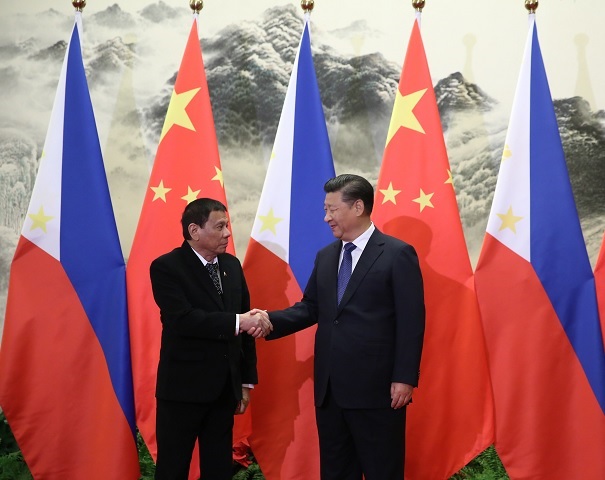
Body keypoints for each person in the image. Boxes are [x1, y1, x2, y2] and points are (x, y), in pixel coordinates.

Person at [262, 174, 425, 480]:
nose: (326, 218)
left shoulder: (396, 254)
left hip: (378, 391)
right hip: (331, 390)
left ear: (358, 207)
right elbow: (310, 308)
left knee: (382, 471)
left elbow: (411, 321)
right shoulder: (326, 256)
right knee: (336, 472)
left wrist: (404, 377)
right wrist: (268, 320)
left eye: (332, 209)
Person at [150, 198, 272, 480]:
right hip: (182, 390)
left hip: (223, 390)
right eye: (220, 226)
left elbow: (246, 330)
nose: (228, 233)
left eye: (227, 226)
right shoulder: (167, 267)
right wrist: (241, 321)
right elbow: (183, 319)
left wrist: (244, 381)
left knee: (218, 469)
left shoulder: (231, 265)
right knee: (173, 467)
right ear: (194, 230)